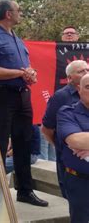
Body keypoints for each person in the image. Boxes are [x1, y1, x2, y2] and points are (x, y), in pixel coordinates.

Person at [0, 0, 48, 207]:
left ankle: (25, 191)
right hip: (1, 96)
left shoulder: (18, 40)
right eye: (18, 10)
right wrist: (20, 72)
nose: (21, 13)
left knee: (23, 143)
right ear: (8, 14)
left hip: (22, 95)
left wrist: (30, 73)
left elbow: (25, 67)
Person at [42, 60, 88, 198]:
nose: (86, 72)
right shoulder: (61, 97)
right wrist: (63, 146)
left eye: (87, 69)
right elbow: (47, 128)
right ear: (69, 78)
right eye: (81, 71)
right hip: (72, 165)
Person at [57, 73, 89, 222]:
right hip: (81, 184)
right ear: (79, 89)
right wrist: (81, 142)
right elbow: (75, 140)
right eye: (88, 87)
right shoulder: (67, 112)